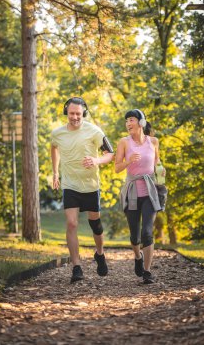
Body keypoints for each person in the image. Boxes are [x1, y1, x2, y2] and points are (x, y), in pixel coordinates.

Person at [51, 97, 114, 283]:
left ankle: (100, 254)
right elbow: (54, 148)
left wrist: (96, 161)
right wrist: (55, 172)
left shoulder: (94, 131)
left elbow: (110, 153)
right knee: (71, 223)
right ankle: (76, 266)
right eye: (72, 113)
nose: (75, 117)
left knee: (95, 224)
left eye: (78, 113)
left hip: (90, 186)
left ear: (83, 113)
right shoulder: (58, 133)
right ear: (66, 112)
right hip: (70, 185)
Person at [115, 109, 162, 284]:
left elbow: (157, 164)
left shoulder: (154, 142)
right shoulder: (124, 143)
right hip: (132, 192)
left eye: (132, 120)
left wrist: (161, 177)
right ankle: (137, 256)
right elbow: (117, 168)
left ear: (141, 122)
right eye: (127, 121)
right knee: (135, 235)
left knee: (147, 232)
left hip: (150, 192)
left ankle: (148, 272)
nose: (128, 123)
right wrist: (129, 161)